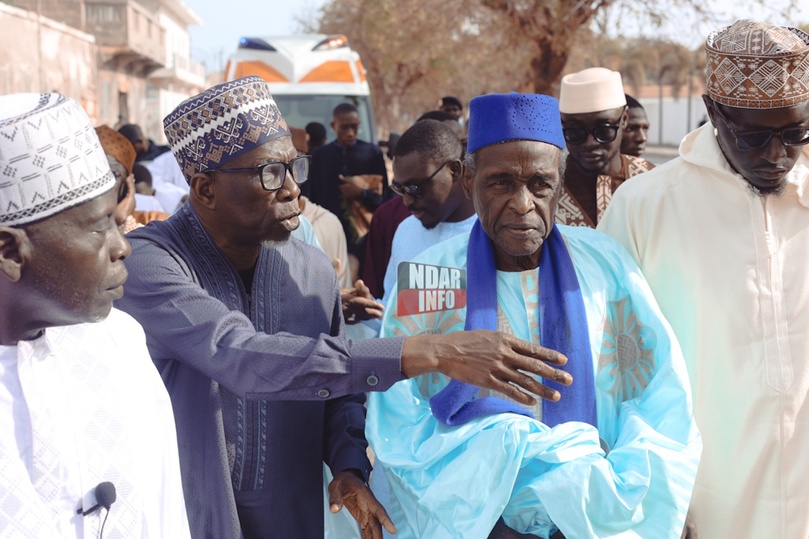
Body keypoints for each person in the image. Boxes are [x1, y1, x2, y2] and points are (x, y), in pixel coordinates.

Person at [114, 76, 575, 539]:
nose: (294, 190)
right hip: (185, 513)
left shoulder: (310, 268)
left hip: (294, 517)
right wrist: (430, 352)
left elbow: (339, 394)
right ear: (205, 188)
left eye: (295, 169)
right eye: (270, 174)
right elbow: (240, 354)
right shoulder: (150, 262)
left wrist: (350, 466)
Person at [366, 92, 701, 539]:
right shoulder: (430, 277)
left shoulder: (603, 264)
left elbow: (660, 395)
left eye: (539, 184)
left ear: (559, 185)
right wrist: (491, 518)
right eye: (501, 182)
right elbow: (398, 418)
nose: (522, 204)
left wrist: (596, 504)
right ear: (469, 181)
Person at [598, 19, 809, 538]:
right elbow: (606, 359)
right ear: (714, 112)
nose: (777, 155)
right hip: (700, 500)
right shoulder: (646, 208)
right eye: (754, 137)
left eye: (797, 133)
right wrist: (641, 493)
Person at [0, 93, 189, 537]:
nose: (122, 245)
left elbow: (164, 518)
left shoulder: (118, 343)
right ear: (9, 252)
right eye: (98, 225)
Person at [382, 119, 476, 305]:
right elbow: (392, 310)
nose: (407, 201)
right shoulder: (405, 231)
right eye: (400, 189)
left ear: (455, 170)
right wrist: (365, 314)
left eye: (416, 187)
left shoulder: (492, 235)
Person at [556, 68, 654, 227]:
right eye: (575, 132)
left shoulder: (651, 180)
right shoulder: (546, 186)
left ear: (624, 119)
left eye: (604, 130)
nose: (590, 143)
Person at [306, 102, 390, 272]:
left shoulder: (371, 153)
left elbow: (385, 197)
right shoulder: (320, 156)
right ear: (333, 126)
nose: (350, 133)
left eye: (354, 127)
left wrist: (361, 193)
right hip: (327, 232)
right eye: (344, 128)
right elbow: (310, 196)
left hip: (362, 235)